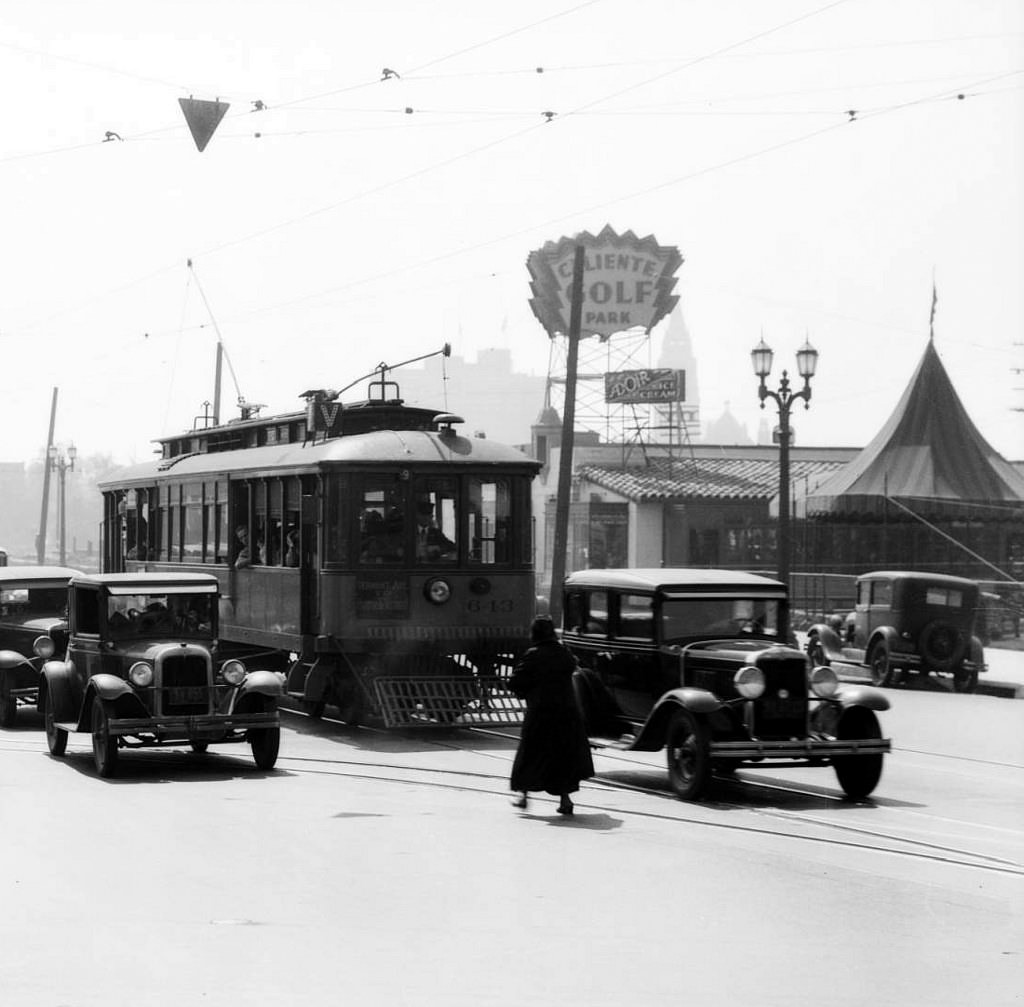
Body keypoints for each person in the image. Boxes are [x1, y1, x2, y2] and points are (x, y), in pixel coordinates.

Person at [508, 615, 594, 815]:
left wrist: (525, 691)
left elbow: (515, 682)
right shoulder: (564, 653)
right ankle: (565, 799)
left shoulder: (533, 654)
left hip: (541, 713)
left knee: (530, 754)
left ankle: (522, 795)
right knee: (562, 758)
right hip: (567, 714)